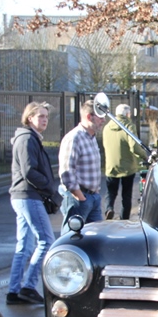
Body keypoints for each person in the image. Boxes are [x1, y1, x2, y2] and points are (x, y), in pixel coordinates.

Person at [7, 102, 58, 305]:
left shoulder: (30, 138)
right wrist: (48, 186)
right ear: (30, 118)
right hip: (28, 195)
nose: (45, 120)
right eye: (40, 116)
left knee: (25, 246)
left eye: (46, 116)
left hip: (24, 196)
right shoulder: (27, 139)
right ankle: (28, 287)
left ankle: (14, 291)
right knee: (46, 241)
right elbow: (29, 171)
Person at [58, 99, 104, 233]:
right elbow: (67, 172)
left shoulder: (91, 137)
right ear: (89, 117)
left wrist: (95, 194)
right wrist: (80, 197)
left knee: (96, 237)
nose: (103, 120)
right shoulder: (74, 138)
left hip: (93, 197)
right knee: (72, 238)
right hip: (78, 198)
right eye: (100, 117)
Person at [102, 104, 147, 220]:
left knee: (111, 192)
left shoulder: (107, 127)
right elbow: (134, 147)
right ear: (127, 114)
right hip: (127, 167)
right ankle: (124, 219)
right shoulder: (128, 126)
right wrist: (145, 156)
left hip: (111, 165)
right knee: (126, 196)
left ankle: (109, 208)